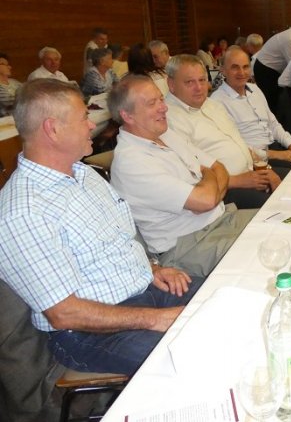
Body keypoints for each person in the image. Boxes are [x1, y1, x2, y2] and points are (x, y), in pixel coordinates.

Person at [0, 79, 201, 376]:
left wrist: (153, 269)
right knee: (197, 355)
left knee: (226, 299)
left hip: (143, 292)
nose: (92, 125)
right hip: (90, 333)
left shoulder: (83, 174)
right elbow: (63, 313)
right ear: (53, 129)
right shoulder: (24, 212)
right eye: (84, 117)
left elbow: (116, 242)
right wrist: (155, 319)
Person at [109, 75, 256, 277]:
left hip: (223, 219)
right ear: (127, 116)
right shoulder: (131, 161)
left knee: (283, 223)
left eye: (161, 99)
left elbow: (218, 168)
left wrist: (208, 187)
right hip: (189, 246)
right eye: (152, 103)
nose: (164, 107)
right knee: (265, 248)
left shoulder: (164, 133)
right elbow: (206, 199)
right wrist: (208, 177)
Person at [165, 54, 283, 208]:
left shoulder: (212, 104)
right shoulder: (168, 119)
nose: (199, 88)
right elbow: (190, 174)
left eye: (202, 80)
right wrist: (239, 181)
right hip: (225, 191)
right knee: (279, 207)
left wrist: (264, 169)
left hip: (251, 172)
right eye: (189, 82)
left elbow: (239, 144)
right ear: (171, 84)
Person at [211, 46, 291, 165]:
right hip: (253, 161)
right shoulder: (217, 101)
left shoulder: (255, 89)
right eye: (235, 67)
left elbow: (273, 123)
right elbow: (233, 146)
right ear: (223, 71)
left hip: (275, 147)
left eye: (245, 67)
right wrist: (275, 154)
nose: (241, 72)